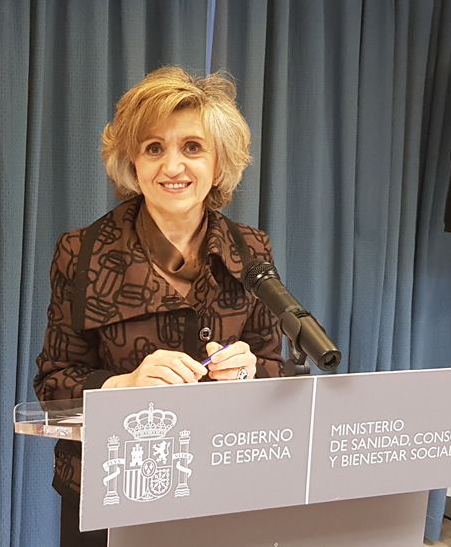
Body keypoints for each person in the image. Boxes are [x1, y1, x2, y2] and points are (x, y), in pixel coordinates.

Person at [33, 66, 285, 547]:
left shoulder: (251, 250)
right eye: (154, 148)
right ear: (133, 163)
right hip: (111, 491)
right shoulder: (81, 253)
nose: (172, 167)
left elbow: (278, 368)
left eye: (192, 147)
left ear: (219, 163)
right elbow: (52, 387)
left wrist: (250, 372)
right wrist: (122, 385)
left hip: (221, 485)